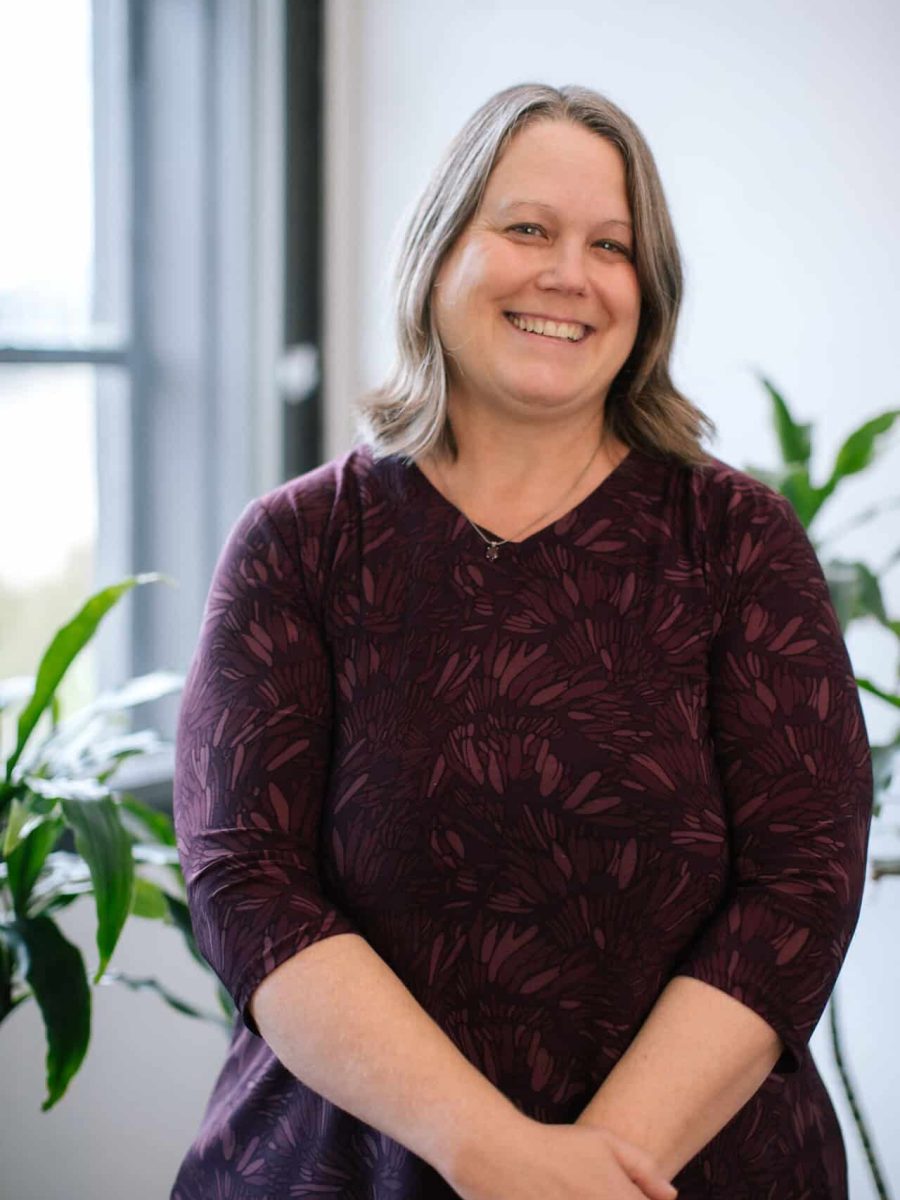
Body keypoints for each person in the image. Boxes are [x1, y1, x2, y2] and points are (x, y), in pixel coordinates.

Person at [171, 82, 874, 1200]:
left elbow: (803, 880)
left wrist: (592, 1174)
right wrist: (490, 1152)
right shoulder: (299, 545)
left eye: (612, 244)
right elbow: (246, 881)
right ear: (441, 252)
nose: (569, 274)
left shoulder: (738, 541)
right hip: (344, 1169)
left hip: (694, 1171)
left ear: (648, 293)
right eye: (528, 229)